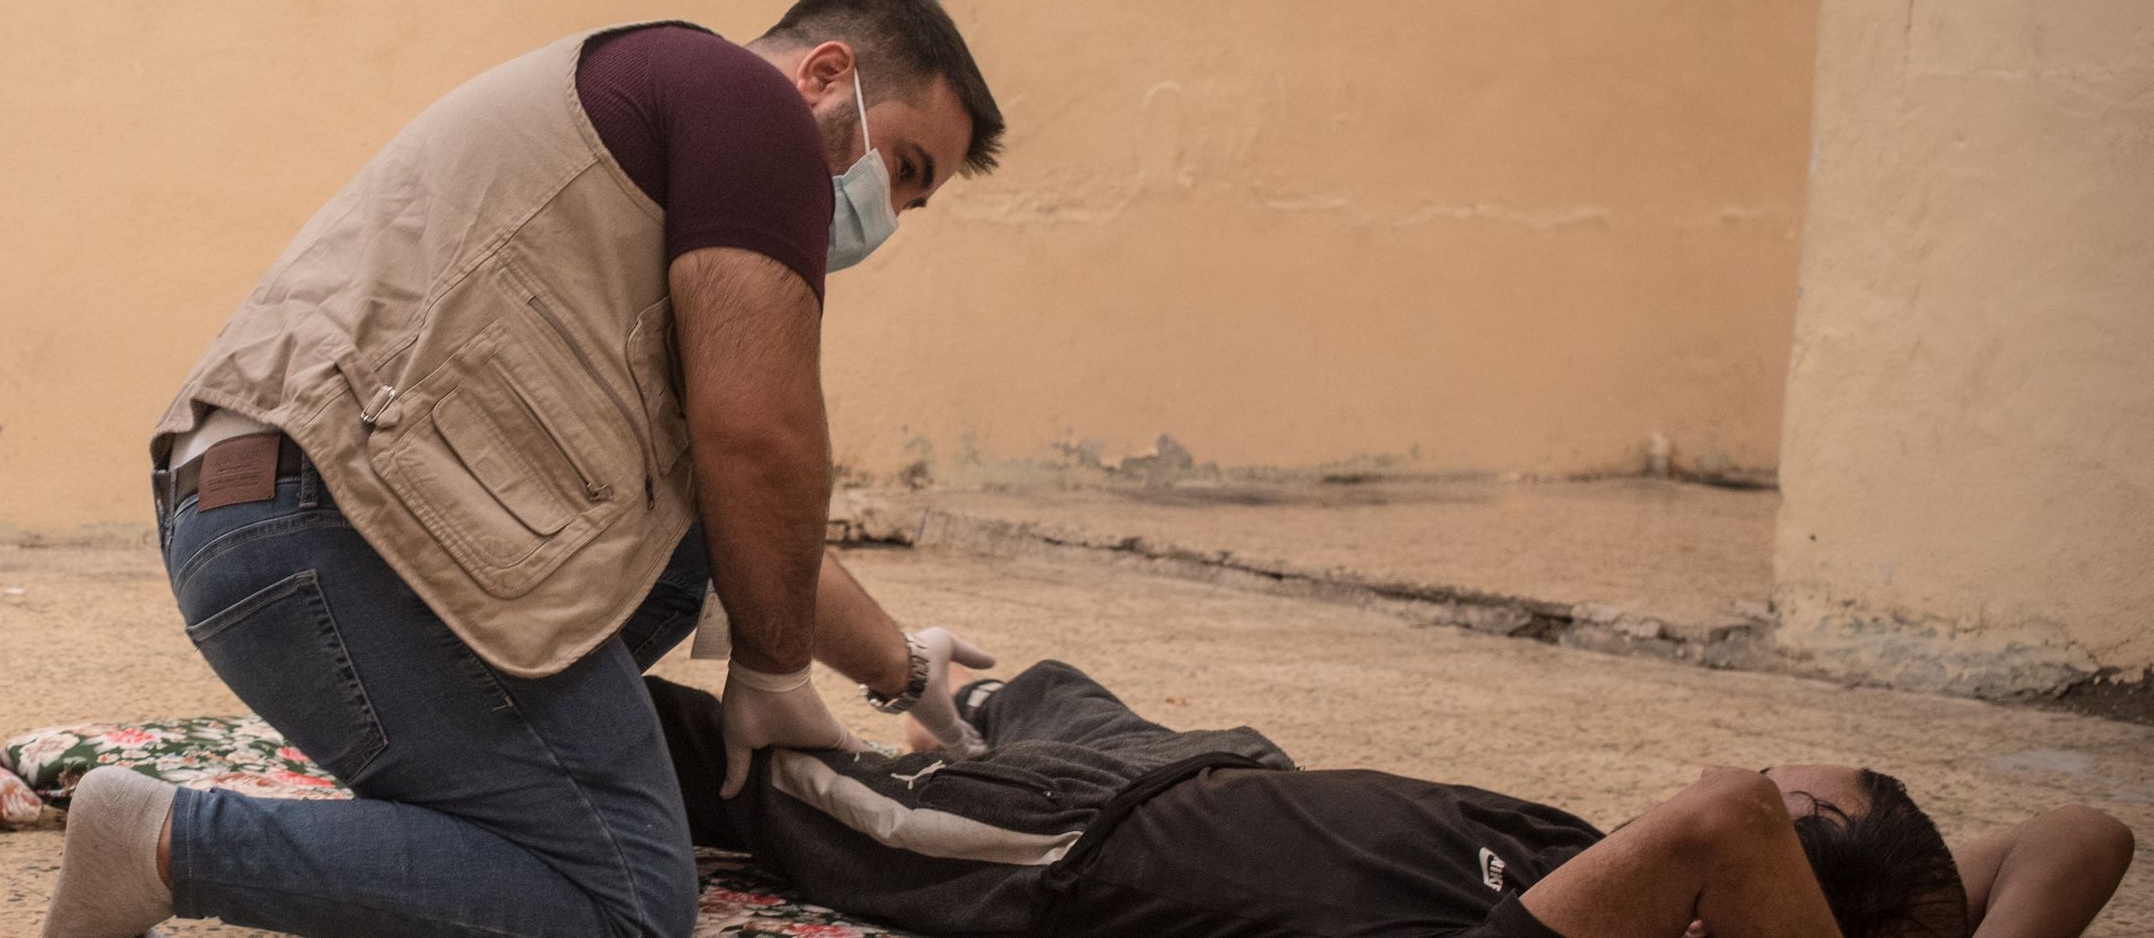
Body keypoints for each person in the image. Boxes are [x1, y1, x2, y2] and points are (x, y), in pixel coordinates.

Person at [44, 0, 1009, 937]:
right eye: (905, 167)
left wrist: (904, 670)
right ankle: (167, 846)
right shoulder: (749, 104)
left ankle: (461, 821)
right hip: (332, 532)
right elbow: (761, 436)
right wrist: (771, 671)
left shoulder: (657, 149)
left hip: (257, 515)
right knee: (625, 897)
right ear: (825, 74)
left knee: (689, 543)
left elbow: (745, 510)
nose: (888, 212)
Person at [647, 661, 2139, 938]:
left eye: (1788, 798)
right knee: (1018, 681)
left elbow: (1725, 818)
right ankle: (960, 693)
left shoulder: (1616, 907)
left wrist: (1773, 850)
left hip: (1068, 843)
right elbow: (2087, 833)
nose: (1735, 778)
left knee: (776, 779)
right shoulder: (1638, 880)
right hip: (1210, 759)